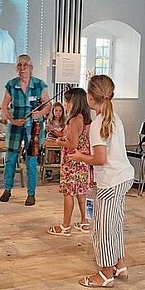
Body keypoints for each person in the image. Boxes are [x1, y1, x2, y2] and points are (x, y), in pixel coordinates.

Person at [69, 75, 135, 288]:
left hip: (111, 180)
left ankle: (105, 274)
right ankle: (120, 265)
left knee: (103, 228)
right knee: (114, 223)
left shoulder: (98, 123)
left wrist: (80, 157)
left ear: (89, 97)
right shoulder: (114, 117)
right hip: (123, 177)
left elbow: (100, 159)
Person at [0, 54, 50, 206]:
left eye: (25, 65)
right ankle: (7, 189)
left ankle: (31, 193)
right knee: (10, 158)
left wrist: (39, 114)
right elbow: (4, 107)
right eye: (20, 65)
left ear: (31, 68)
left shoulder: (40, 84)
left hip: (33, 127)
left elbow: (48, 106)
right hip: (16, 126)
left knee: (31, 160)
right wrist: (13, 120)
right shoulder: (11, 84)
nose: (22, 68)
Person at [47, 88, 92, 236]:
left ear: (75, 102)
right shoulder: (84, 119)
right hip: (82, 161)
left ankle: (65, 226)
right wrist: (58, 134)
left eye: (67, 101)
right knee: (80, 192)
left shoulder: (74, 120)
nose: (65, 104)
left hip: (72, 161)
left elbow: (72, 143)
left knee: (68, 193)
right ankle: (84, 221)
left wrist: (59, 142)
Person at [43, 102, 66, 180]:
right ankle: (48, 171)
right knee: (50, 149)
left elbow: (63, 134)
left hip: (61, 140)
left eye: (60, 111)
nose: (58, 113)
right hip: (51, 139)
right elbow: (50, 131)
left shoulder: (65, 121)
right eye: (56, 110)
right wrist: (58, 133)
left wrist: (57, 133)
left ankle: (63, 170)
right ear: (53, 111)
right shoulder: (50, 120)